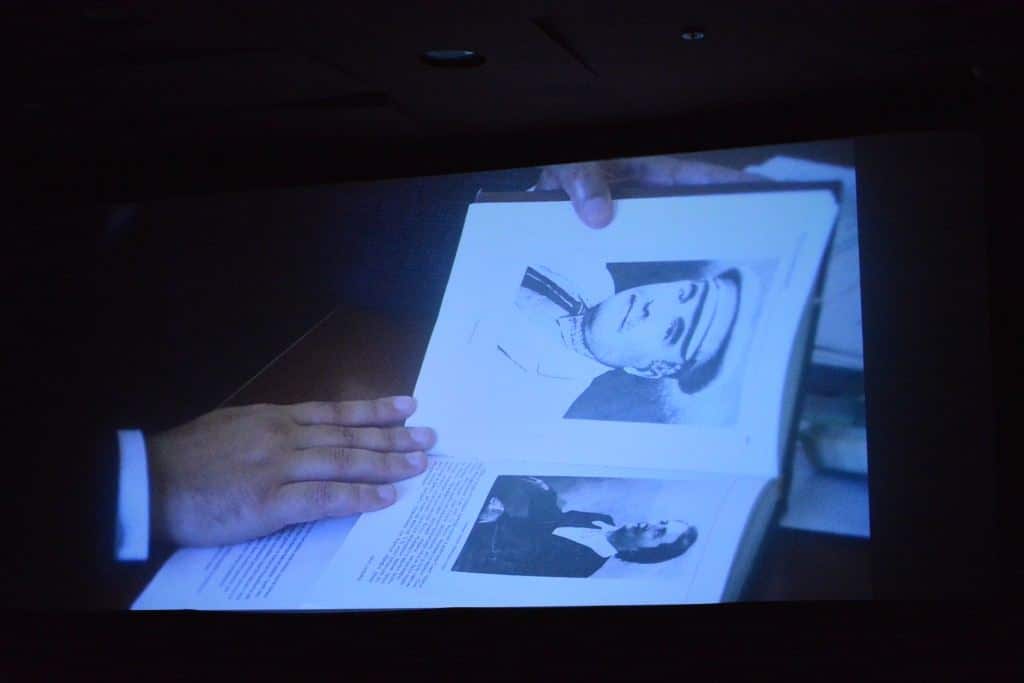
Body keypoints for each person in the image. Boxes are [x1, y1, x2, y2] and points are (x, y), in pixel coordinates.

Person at [495, 260, 762, 423]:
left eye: (671, 330)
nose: (654, 306)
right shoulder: (591, 270)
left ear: (651, 369)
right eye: (682, 294)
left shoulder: (526, 406)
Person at [452, 475, 698, 578]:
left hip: (473, 549)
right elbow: (548, 523)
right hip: (491, 518)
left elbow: (513, 562)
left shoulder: (583, 566)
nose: (651, 524)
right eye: (661, 522)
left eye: (659, 532)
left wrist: (494, 521)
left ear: (641, 552)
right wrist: (545, 494)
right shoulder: (602, 519)